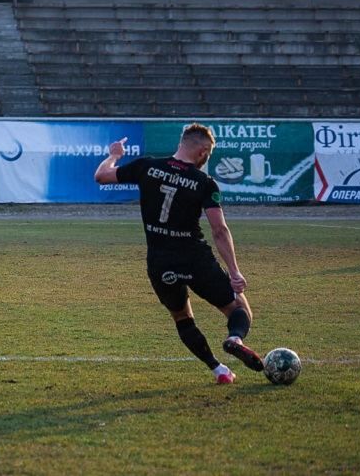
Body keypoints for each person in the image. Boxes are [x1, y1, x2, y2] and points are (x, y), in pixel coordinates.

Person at [94, 124, 264, 385]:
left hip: (160, 260)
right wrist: (234, 271)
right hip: (195, 258)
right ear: (202, 151)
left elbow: (102, 176)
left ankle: (219, 370)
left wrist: (115, 154)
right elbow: (219, 230)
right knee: (239, 309)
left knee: (183, 318)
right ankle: (234, 339)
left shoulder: (147, 167)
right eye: (209, 154)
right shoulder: (204, 183)